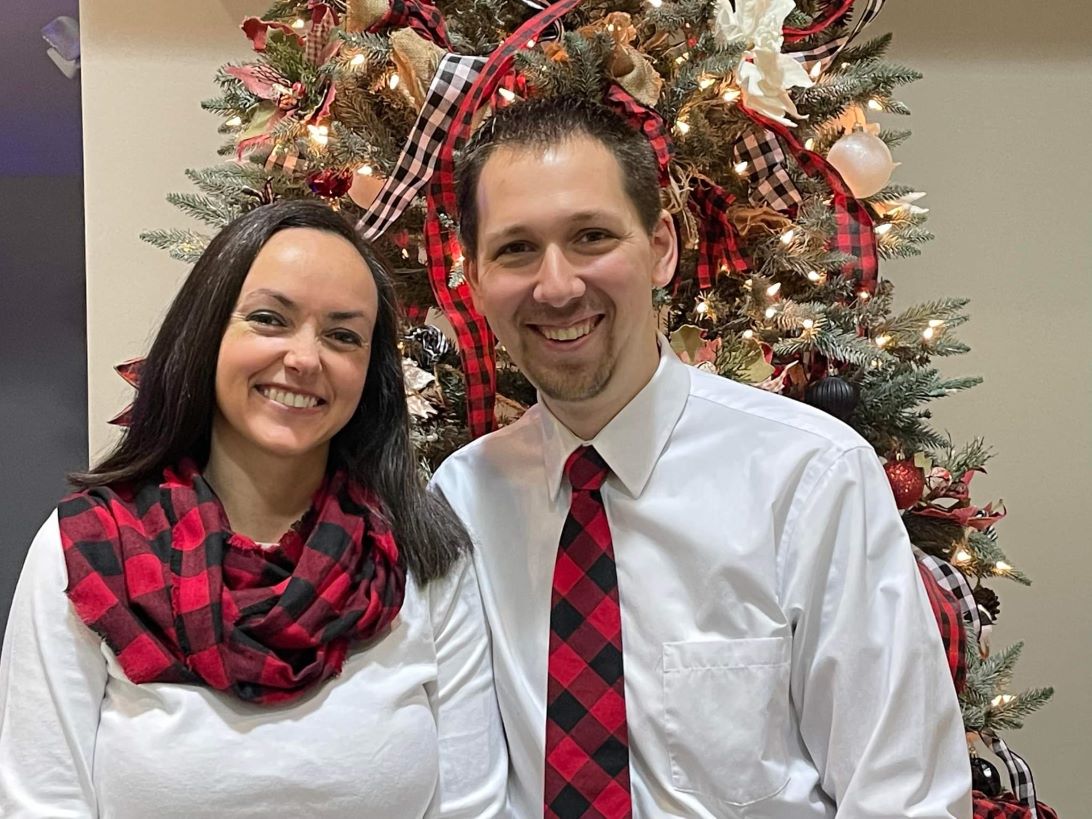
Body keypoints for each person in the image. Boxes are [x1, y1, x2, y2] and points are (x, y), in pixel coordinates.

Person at [430, 95, 973, 817]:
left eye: (591, 236)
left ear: (661, 248)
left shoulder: (810, 476)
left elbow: (904, 797)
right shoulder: (461, 502)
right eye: (516, 248)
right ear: (474, 273)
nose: (555, 285)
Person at [0, 200, 507, 817]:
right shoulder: (85, 551)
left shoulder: (424, 560)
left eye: (343, 335)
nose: (304, 358)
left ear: (370, 373)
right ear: (208, 333)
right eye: (270, 319)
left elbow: (472, 807)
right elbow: (42, 804)